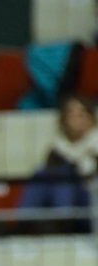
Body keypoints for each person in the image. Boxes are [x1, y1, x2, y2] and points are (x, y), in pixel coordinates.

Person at [15, 95, 97, 234]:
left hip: (89, 197)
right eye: (72, 114)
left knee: (64, 175)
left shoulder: (95, 144)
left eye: (81, 114)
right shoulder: (57, 147)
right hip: (64, 196)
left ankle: (62, 220)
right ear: (64, 119)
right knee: (41, 173)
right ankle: (26, 219)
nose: (77, 119)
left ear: (90, 118)